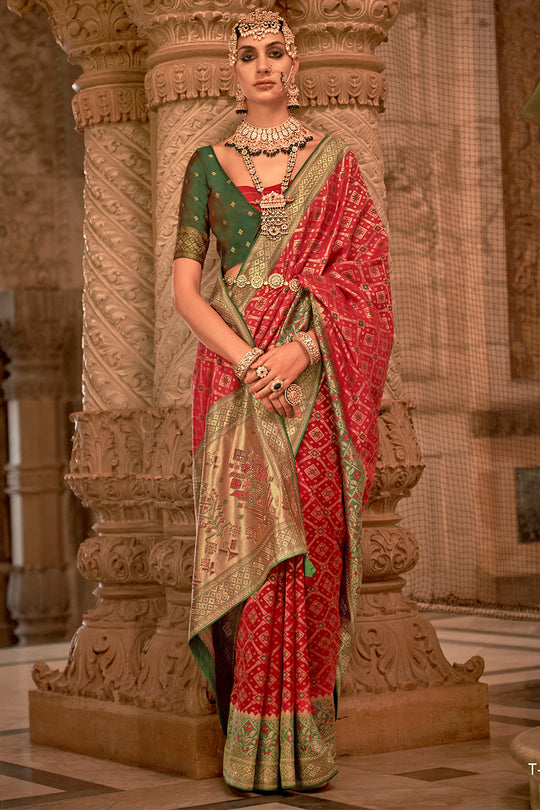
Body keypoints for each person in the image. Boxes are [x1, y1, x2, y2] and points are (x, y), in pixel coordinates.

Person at [172, 9, 393, 793]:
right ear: (230, 73)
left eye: (275, 52)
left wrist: (301, 351)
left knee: (312, 545)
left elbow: (367, 283)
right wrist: (250, 359)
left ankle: (305, 743)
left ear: (294, 65)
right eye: (248, 56)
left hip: (313, 383)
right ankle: (252, 747)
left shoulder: (336, 164)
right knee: (258, 556)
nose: (263, 66)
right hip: (237, 390)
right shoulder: (206, 164)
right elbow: (186, 290)